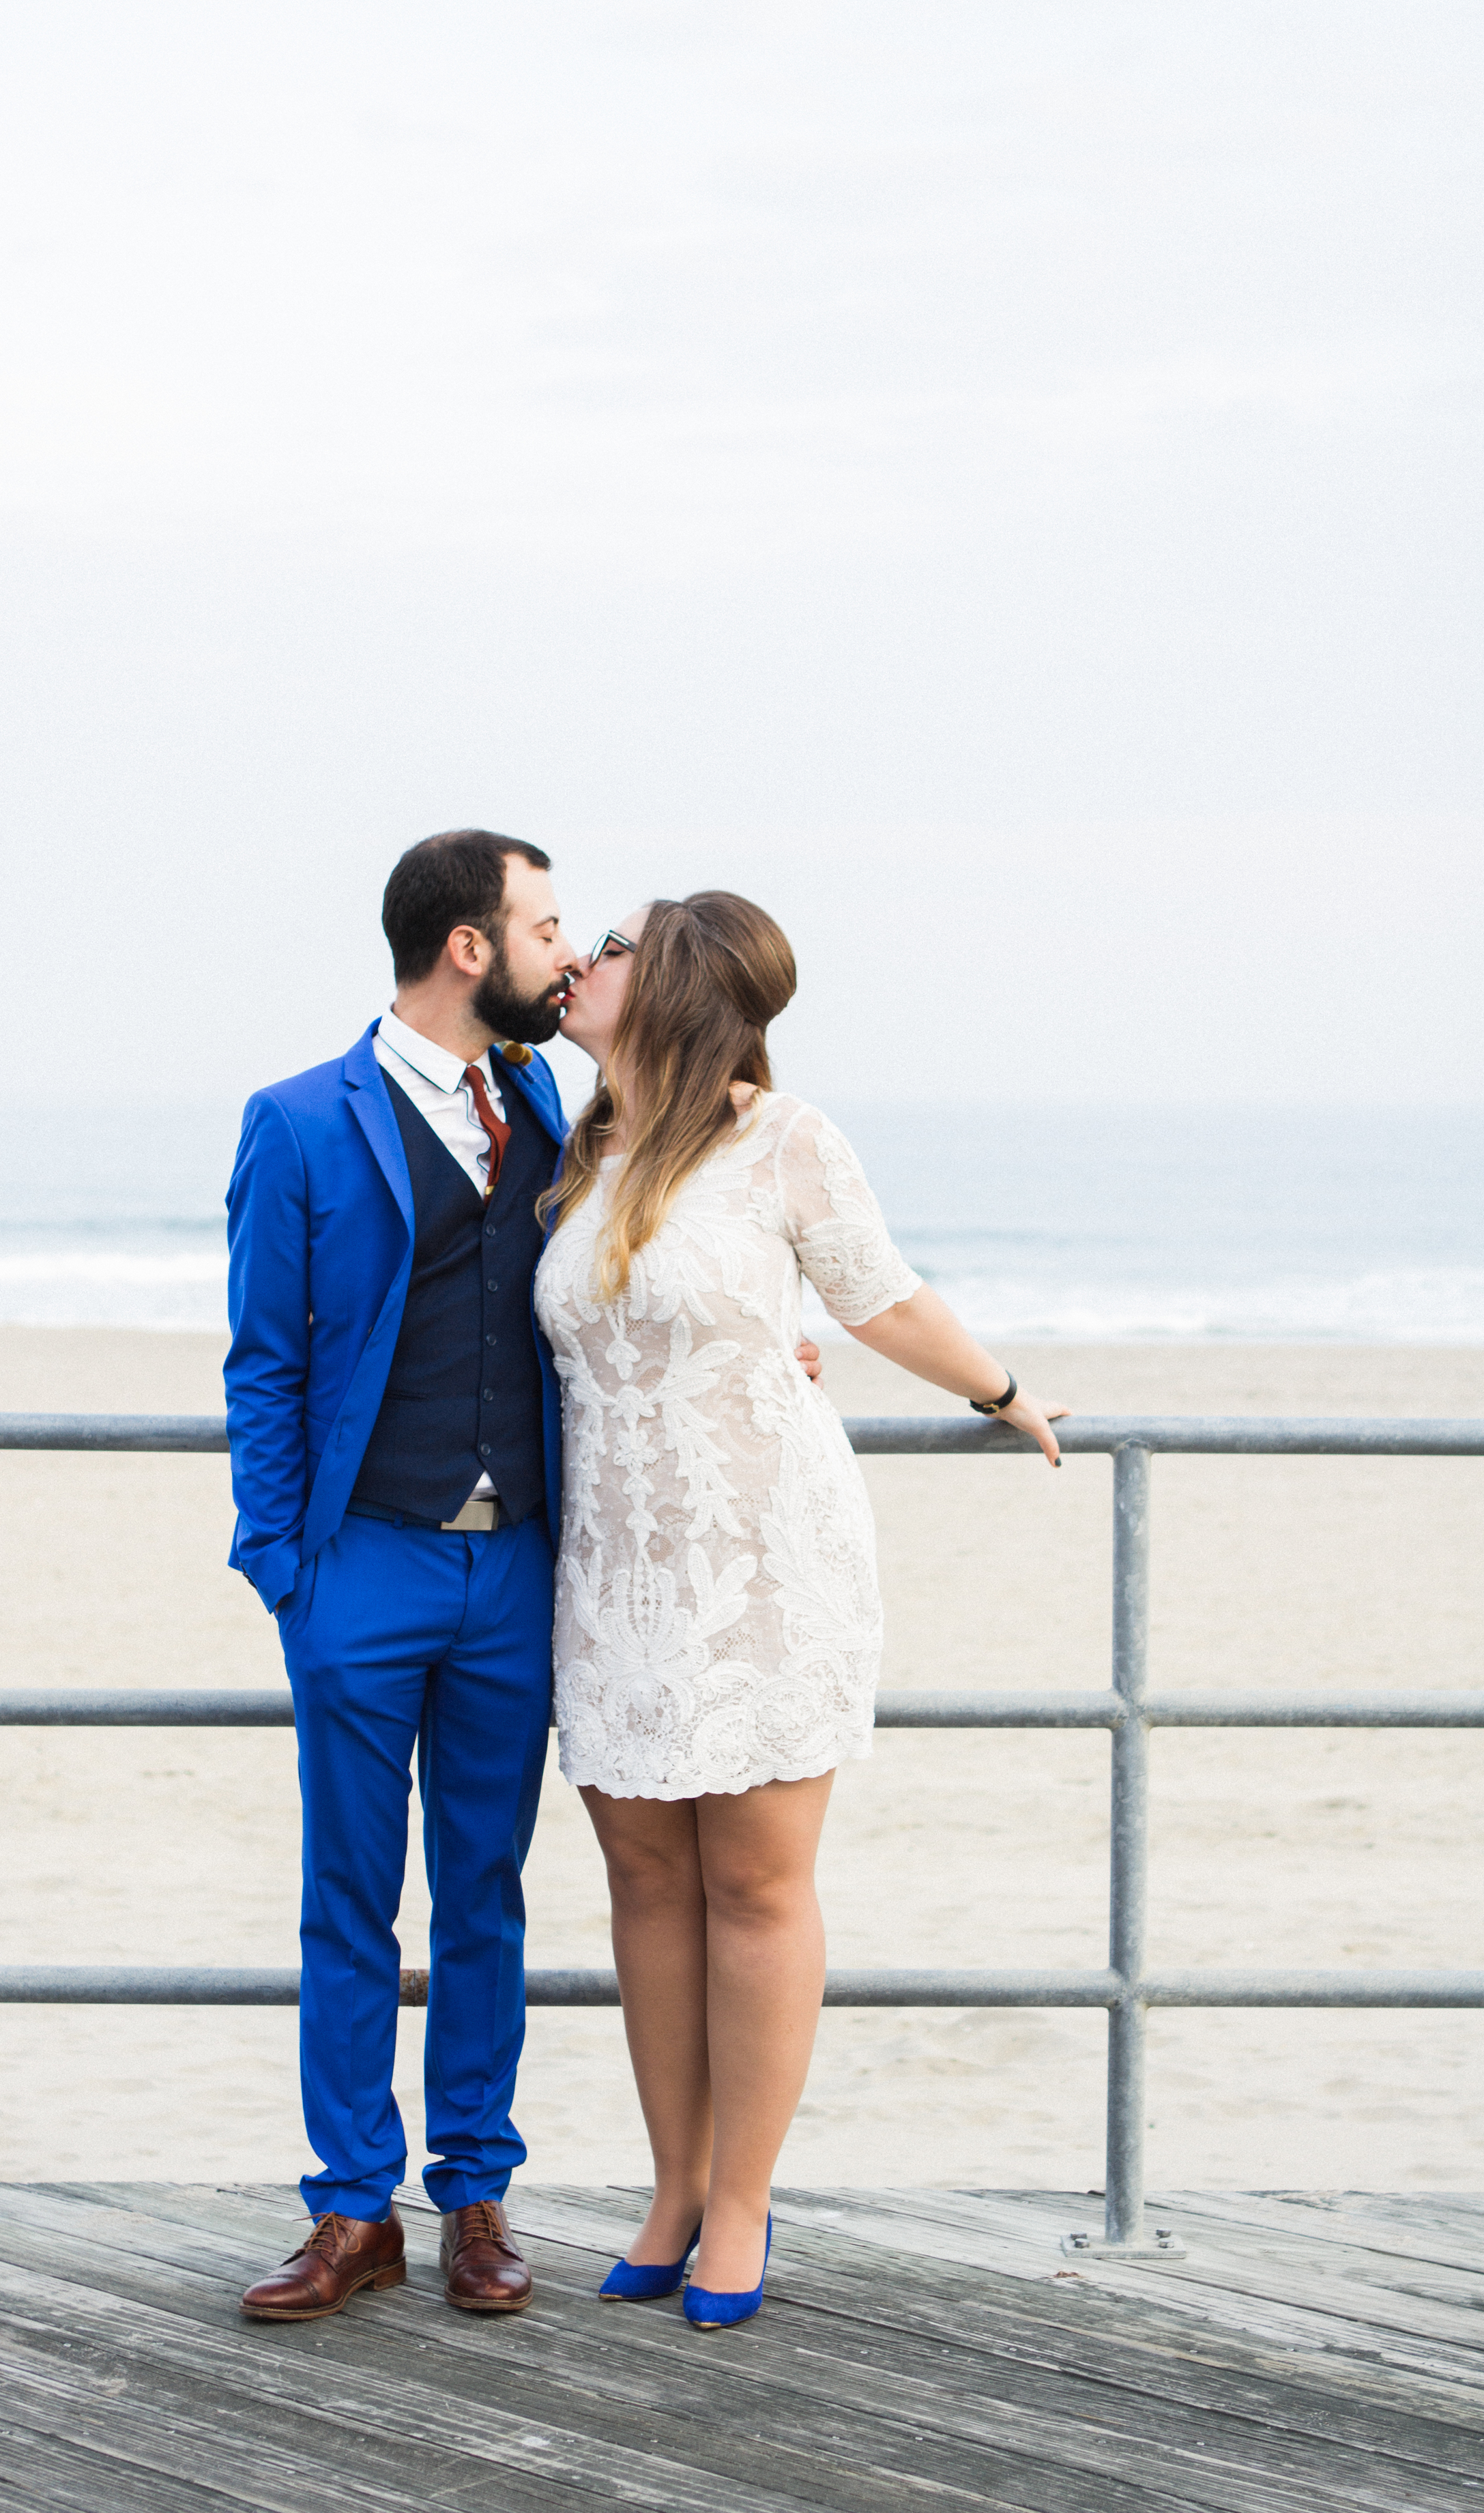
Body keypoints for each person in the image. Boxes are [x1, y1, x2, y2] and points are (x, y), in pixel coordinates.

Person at [537, 892, 1067, 2329]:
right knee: (644, 1887)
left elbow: (876, 1297)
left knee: (752, 1887)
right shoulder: (578, 1143)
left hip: (765, 1558)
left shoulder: (781, 1135)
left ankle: (743, 2208)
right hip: (611, 1576)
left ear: (681, 985)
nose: (580, 961)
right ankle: (671, 2185)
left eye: (614, 947)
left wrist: (1002, 1394)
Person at [225, 830, 576, 2320]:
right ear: (467, 949)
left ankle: (475, 2197)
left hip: (515, 1574)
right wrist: (287, 1570)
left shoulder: (546, 1099)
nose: (568, 955)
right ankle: (349, 2208)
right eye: (546, 928)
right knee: (348, 1897)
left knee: (486, 1891)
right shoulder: (301, 1121)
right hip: (361, 1567)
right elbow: (264, 1363)